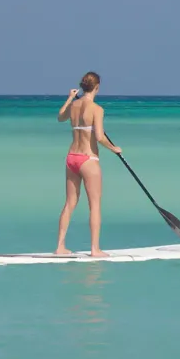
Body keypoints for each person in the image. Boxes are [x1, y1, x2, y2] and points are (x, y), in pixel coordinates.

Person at [56, 71, 124, 257]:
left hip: (71, 157)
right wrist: (114, 148)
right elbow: (99, 137)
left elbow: (60, 117)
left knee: (70, 203)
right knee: (94, 205)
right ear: (97, 87)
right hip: (88, 159)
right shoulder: (97, 109)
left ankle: (60, 247)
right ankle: (95, 249)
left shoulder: (74, 105)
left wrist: (70, 98)